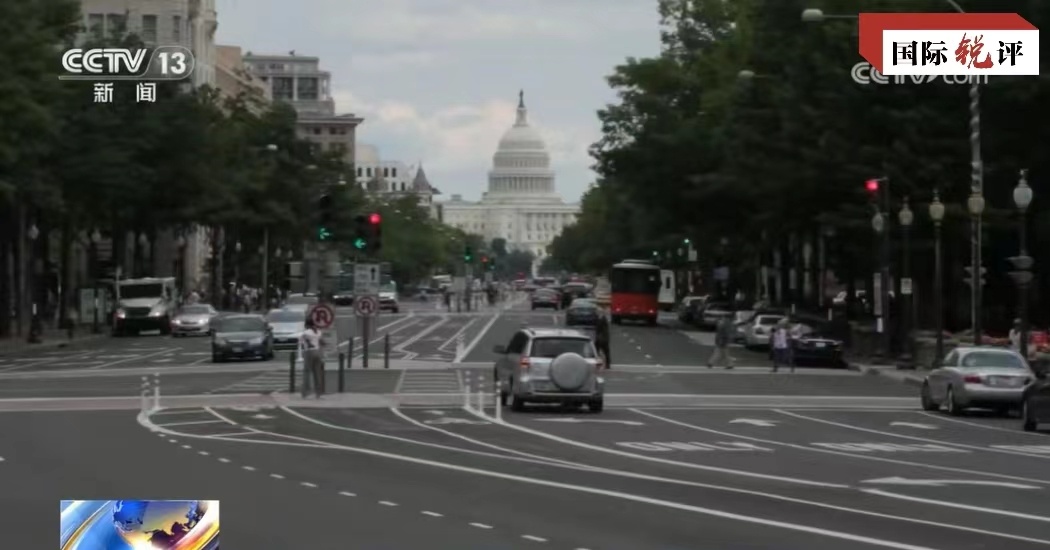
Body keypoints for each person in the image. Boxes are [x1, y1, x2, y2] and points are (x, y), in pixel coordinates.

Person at [299, 317, 325, 398]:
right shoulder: (318, 332)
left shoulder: (305, 333)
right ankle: (318, 393)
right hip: (318, 352)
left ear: (306, 324)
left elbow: (302, 343)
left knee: (307, 372)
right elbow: (322, 342)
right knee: (317, 373)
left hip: (309, 352)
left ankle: (305, 392)